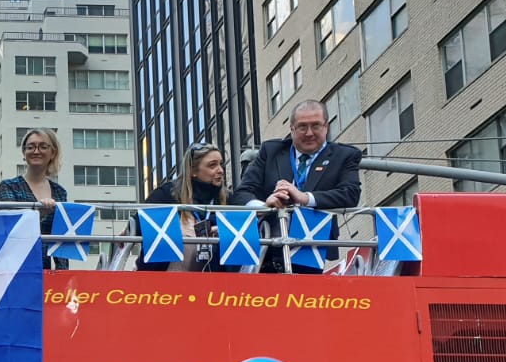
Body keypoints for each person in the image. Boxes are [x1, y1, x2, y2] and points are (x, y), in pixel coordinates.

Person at [231, 99, 362, 273]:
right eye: (302, 127)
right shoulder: (270, 151)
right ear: (291, 129)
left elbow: (351, 194)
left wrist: (305, 198)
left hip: (313, 246)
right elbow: (241, 194)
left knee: (304, 297)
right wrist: (265, 205)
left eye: (316, 126)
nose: (309, 133)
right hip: (267, 246)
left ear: (326, 126)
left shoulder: (345, 155)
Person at [137, 143, 230, 272]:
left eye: (221, 164)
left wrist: (221, 229)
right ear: (193, 171)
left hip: (215, 285)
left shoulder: (229, 199)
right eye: (212, 165)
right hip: (163, 284)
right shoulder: (166, 194)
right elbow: (138, 224)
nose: (220, 170)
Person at [0, 129, 70, 270]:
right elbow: (11, 226)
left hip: (46, 270)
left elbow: (62, 240)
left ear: (52, 153)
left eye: (43, 146)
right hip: (15, 267)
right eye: (31, 147)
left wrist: (63, 274)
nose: (36, 151)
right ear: (24, 153)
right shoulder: (8, 186)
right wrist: (39, 214)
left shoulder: (60, 192)